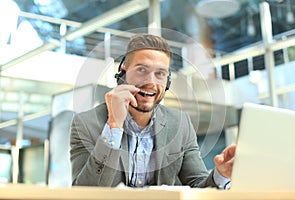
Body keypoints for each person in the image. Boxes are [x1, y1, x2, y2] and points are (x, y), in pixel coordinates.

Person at [70, 33, 236, 188]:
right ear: (123, 74)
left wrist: (221, 174)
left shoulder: (180, 124)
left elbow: (198, 186)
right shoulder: (85, 123)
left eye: (160, 73)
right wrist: (114, 126)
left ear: (168, 81)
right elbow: (83, 192)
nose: (150, 82)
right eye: (142, 70)